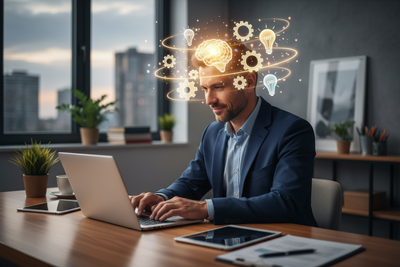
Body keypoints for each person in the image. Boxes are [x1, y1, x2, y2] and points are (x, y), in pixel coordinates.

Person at [130, 41, 318, 227]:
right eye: (205, 89)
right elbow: (191, 183)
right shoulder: (212, 133)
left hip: (284, 242)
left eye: (218, 87)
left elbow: (285, 202)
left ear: (249, 81)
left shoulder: (293, 131)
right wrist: (161, 197)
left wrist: (206, 208)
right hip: (230, 238)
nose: (209, 100)